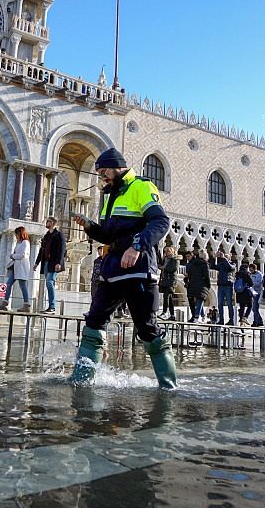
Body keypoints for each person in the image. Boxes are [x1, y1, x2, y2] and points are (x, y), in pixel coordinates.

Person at [69, 147, 177, 388]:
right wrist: (89, 226)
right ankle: (81, 381)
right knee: (94, 321)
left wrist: (137, 246)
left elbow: (160, 222)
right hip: (112, 271)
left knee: (147, 328)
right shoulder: (111, 195)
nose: (102, 177)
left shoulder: (141, 186)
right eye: (99, 174)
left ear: (117, 167)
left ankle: (168, 386)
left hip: (138, 270)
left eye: (104, 172)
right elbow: (108, 236)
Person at [33, 216, 65, 314]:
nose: (46, 222)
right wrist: (37, 263)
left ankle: (52, 307)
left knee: (49, 282)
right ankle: (50, 307)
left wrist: (59, 262)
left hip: (54, 263)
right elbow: (42, 250)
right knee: (49, 283)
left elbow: (62, 250)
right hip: (46, 262)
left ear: (53, 223)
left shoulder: (59, 235)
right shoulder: (46, 236)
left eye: (48, 221)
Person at [0, 226, 32, 311]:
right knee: (9, 283)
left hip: (21, 267)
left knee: (22, 285)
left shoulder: (25, 242)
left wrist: (13, 256)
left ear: (20, 234)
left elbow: (23, 255)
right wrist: (13, 255)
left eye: (17, 234)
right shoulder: (19, 243)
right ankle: (5, 302)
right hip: (16, 267)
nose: (16, 236)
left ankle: (26, 304)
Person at [184, 250, 211, 323]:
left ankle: (202, 316)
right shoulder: (205, 264)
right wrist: (208, 285)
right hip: (202, 284)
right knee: (200, 300)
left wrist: (187, 281)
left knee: (199, 300)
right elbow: (206, 276)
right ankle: (196, 317)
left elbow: (189, 274)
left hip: (193, 284)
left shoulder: (193, 264)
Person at [210, 250, 236, 325]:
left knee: (229, 304)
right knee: (220, 304)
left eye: (227, 256)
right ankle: (221, 320)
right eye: (225, 256)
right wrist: (214, 257)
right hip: (221, 286)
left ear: (230, 258)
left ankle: (231, 320)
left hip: (228, 286)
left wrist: (224, 258)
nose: (225, 257)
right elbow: (212, 266)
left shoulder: (233, 264)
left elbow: (229, 267)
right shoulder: (221, 264)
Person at [158, 246, 178, 321]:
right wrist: (162, 259)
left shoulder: (175, 259)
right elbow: (160, 265)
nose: (166, 253)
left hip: (171, 281)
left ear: (172, 252)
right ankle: (172, 315)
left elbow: (173, 269)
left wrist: (164, 268)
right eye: (165, 251)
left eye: (168, 251)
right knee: (170, 298)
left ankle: (164, 312)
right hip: (164, 280)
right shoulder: (165, 259)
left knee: (166, 296)